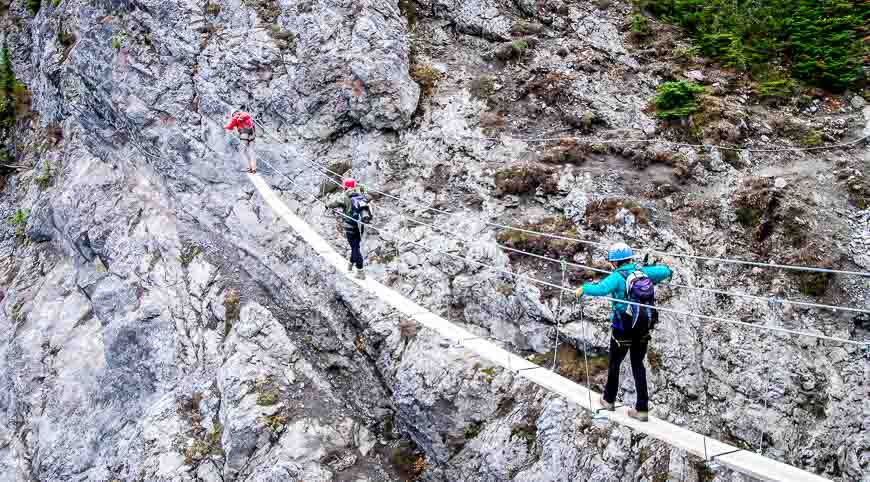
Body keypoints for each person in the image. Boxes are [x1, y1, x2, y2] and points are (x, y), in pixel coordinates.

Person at [575, 242, 672, 421]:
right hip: (642, 330)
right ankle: (642, 410)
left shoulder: (616, 277)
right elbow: (665, 271)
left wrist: (583, 289)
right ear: (629, 258)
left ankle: (609, 400)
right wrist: (657, 269)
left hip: (622, 330)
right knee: (638, 366)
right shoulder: (643, 272)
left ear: (614, 262)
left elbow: (600, 289)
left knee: (615, 363)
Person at [327, 178, 372, 280]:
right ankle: (350, 264)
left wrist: (327, 204)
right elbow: (369, 196)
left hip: (350, 225)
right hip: (361, 225)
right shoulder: (360, 193)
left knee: (355, 248)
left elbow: (331, 204)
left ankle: (360, 272)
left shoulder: (344, 196)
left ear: (345, 187)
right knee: (355, 246)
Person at [224, 108, 257, 173]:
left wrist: (224, 126)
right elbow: (253, 125)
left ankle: (248, 168)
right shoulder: (246, 115)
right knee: (251, 151)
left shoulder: (236, 116)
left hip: (244, 133)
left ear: (233, 114)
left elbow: (230, 126)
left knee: (242, 151)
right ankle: (254, 168)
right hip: (252, 134)